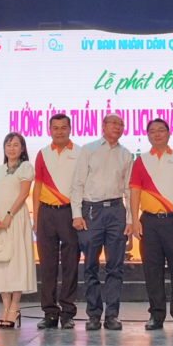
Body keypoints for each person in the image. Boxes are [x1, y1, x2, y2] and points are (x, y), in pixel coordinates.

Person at [129, 117, 173, 331]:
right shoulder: (141, 161)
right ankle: (156, 315)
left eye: (161, 130)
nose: (157, 134)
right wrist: (134, 220)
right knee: (152, 270)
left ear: (169, 133)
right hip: (149, 222)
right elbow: (134, 192)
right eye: (152, 131)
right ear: (147, 135)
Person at [70, 113, 134, 331]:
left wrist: (130, 219)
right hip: (91, 211)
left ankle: (112, 315)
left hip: (116, 211)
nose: (117, 127)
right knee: (90, 265)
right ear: (103, 126)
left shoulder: (126, 154)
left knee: (115, 266)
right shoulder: (88, 149)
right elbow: (77, 183)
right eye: (113, 123)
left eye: (121, 124)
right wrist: (76, 214)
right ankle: (94, 314)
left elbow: (129, 189)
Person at [32, 113, 81, 329]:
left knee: (70, 265)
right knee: (47, 265)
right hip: (46, 213)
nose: (59, 131)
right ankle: (50, 313)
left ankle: (68, 312)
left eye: (63, 127)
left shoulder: (80, 153)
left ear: (70, 129)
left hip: (70, 212)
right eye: (55, 128)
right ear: (49, 130)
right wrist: (36, 218)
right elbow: (37, 187)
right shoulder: (43, 153)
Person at [0, 132, 36, 328]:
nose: (11, 148)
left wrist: (8, 216)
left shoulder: (25, 167)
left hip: (16, 218)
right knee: (1, 262)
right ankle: (5, 307)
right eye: (8, 145)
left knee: (16, 262)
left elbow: (23, 194)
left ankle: (14, 307)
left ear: (22, 148)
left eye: (16, 145)